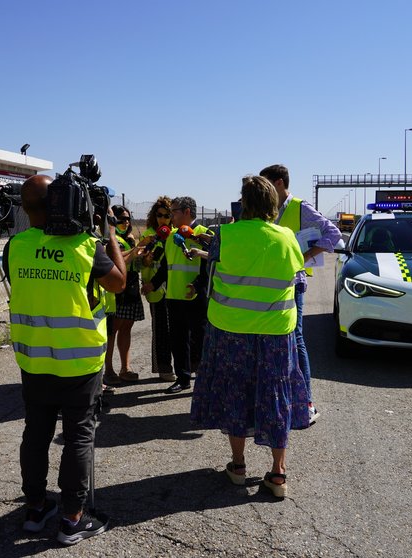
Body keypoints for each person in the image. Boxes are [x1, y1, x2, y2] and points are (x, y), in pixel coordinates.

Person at [3, 175, 125, 545]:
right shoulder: (86, 247)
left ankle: (36, 507)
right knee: (78, 437)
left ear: (26, 209)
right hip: (80, 361)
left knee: (36, 433)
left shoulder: (16, 246)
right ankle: (73, 517)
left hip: (34, 358)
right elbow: (119, 282)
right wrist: (110, 234)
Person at [190, 175, 309, 498]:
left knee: (236, 392)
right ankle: (278, 473)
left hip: (231, 329)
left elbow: (211, 272)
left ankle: (239, 465)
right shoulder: (287, 238)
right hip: (275, 332)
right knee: (276, 395)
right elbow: (296, 279)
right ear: (273, 206)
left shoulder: (225, 235)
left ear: (244, 203)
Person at [260, 164, 341, 424]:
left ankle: (305, 402)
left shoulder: (299, 207)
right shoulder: (266, 210)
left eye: (267, 183)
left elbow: (333, 234)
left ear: (280, 183)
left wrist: (303, 258)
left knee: (296, 338)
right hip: (269, 283)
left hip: (293, 283)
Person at [143, 196, 210, 394]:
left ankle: (204, 378)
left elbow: (209, 268)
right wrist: (153, 284)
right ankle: (183, 378)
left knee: (201, 340)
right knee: (178, 341)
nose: (170, 216)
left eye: (174, 212)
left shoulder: (204, 234)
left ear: (187, 212)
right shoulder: (172, 236)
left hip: (196, 298)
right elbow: (166, 266)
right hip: (173, 297)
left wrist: (196, 286)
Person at [102, 205, 145, 385]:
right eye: (121, 219)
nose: (125, 222)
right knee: (113, 330)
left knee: (126, 328)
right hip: (118, 290)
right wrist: (134, 253)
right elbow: (115, 261)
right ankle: (109, 370)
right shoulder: (111, 240)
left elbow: (134, 262)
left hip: (132, 287)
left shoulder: (128, 238)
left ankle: (125, 368)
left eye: (127, 219)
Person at [140, 197, 175, 382]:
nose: (163, 219)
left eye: (167, 215)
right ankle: (164, 367)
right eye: (159, 215)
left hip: (174, 288)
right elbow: (142, 262)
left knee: (177, 329)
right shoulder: (149, 235)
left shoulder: (175, 234)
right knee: (161, 330)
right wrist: (145, 257)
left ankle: (183, 366)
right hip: (155, 289)